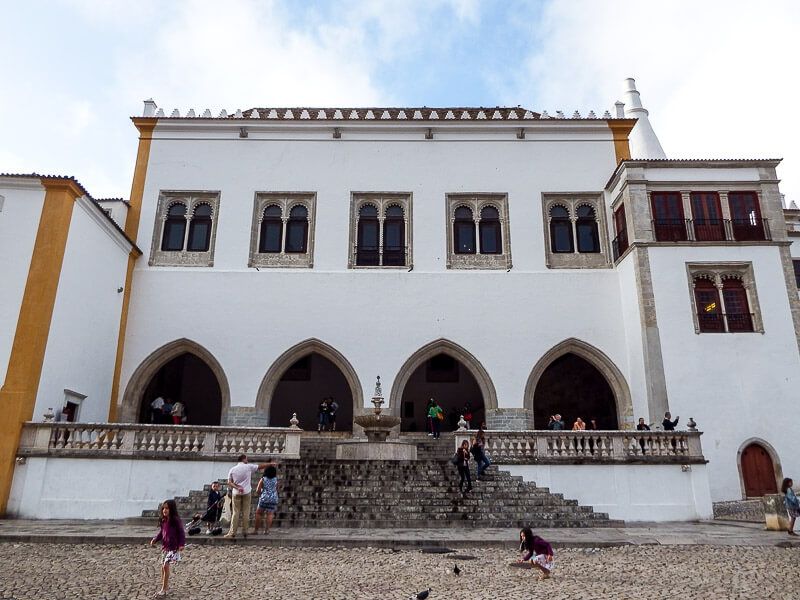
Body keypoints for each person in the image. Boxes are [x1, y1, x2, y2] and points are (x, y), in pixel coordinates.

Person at [224, 454, 271, 539]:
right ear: (243, 459)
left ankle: (232, 532)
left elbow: (229, 482)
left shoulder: (232, 469)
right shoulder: (248, 467)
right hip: (247, 492)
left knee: (235, 512)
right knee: (246, 512)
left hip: (236, 492)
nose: (247, 460)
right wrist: (270, 464)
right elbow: (260, 466)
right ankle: (245, 531)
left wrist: (237, 487)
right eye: (246, 459)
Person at [150, 499, 185, 597]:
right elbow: (161, 533)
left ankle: (164, 589)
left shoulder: (175, 520)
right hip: (165, 547)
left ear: (172, 509)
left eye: (167, 508)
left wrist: (181, 544)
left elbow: (181, 532)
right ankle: (164, 585)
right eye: (163, 508)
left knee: (165, 566)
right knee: (163, 567)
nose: (165, 510)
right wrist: (155, 539)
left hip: (173, 547)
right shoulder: (163, 520)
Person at [253, 463, 279, 535]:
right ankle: (267, 530)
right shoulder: (275, 479)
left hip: (264, 498)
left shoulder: (263, 479)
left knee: (258, 513)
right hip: (273, 498)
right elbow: (277, 489)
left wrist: (261, 494)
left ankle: (256, 530)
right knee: (270, 514)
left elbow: (258, 490)